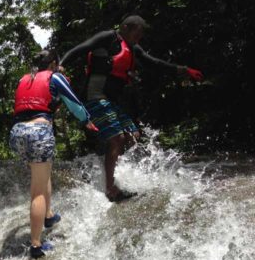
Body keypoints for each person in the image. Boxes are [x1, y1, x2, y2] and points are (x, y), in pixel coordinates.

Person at [59, 15, 204, 202]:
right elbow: (81, 49)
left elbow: (154, 63)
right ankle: (110, 189)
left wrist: (183, 70)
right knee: (116, 138)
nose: (140, 36)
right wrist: (61, 65)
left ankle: (108, 171)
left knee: (133, 135)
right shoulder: (108, 38)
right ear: (126, 27)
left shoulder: (133, 49)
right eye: (139, 31)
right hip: (95, 97)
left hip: (112, 102)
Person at [9, 49, 99, 259]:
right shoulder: (55, 77)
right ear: (53, 64)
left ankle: (48, 216)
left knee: (43, 173)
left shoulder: (24, 79)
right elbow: (73, 102)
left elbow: (45, 104)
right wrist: (86, 120)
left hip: (17, 134)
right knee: (37, 191)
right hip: (38, 132)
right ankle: (36, 245)